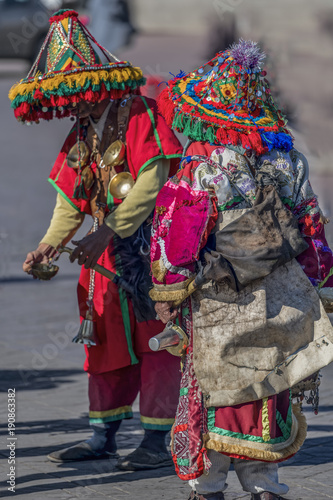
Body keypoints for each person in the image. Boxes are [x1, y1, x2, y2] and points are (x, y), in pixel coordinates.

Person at [149, 39, 333, 499]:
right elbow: (313, 234)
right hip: (282, 290)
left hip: (220, 292)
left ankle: (208, 485)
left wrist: (168, 290)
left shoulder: (202, 161)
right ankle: (264, 484)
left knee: (215, 383)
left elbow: (179, 236)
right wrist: (317, 287)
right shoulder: (289, 159)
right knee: (269, 382)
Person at [10, 8, 183, 470]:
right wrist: (48, 244)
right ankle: (101, 434)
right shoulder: (83, 130)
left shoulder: (141, 113)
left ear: (98, 85)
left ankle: (157, 438)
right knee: (103, 342)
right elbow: (70, 199)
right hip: (103, 252)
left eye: (78, 97)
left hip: (150, 249)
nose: (73, 107)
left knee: (155, 342)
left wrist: (107, 229)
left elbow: (152, 182)